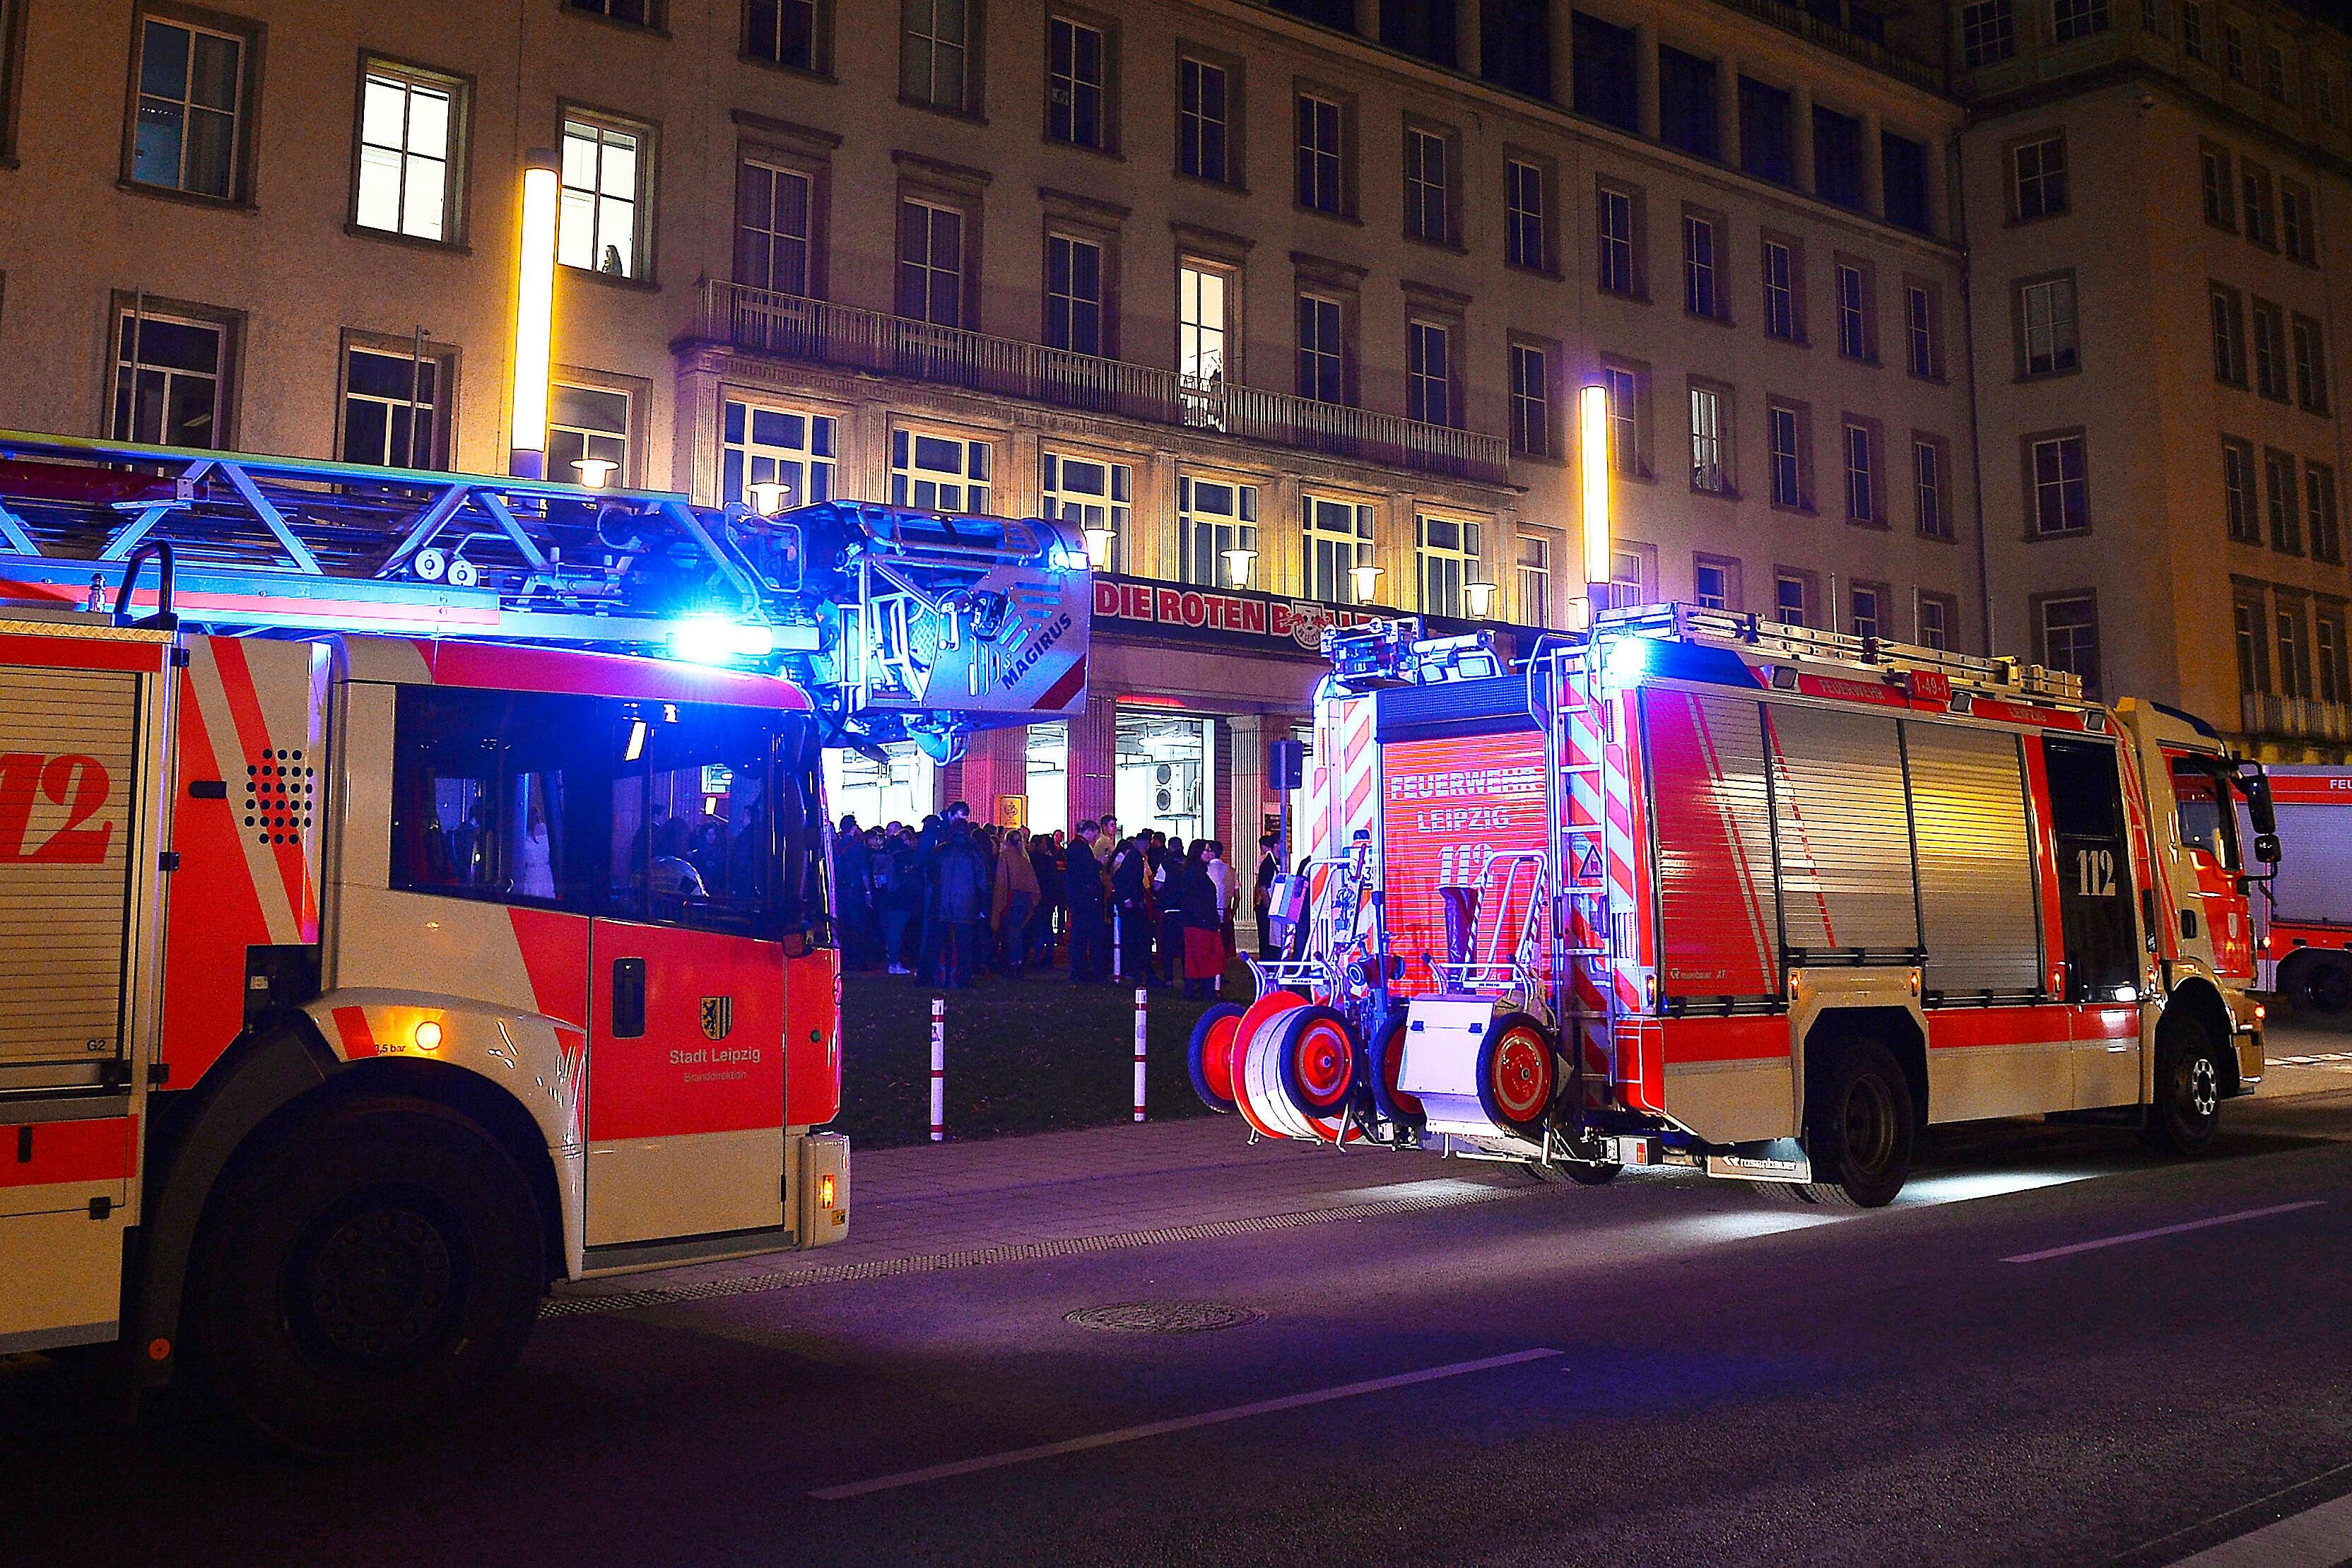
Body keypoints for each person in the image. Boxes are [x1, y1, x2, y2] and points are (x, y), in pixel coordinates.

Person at [934, 817, 989, 989]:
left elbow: (931, 877)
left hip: (942, 904)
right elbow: (982, 882)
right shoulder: (974, 852)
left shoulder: (940, 851)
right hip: (967, 904)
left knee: (941, 943)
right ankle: (963, 980)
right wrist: (983, 906)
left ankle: (941, 978)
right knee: (965, 946)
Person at [1175, 840, 1225, 998]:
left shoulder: (1199, 871)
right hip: (1199, 923)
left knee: (1202, 958)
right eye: (1206, 850)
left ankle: (1200, 990)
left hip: (1201, 921)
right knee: (1202, 958)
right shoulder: (1194, 872)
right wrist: (1205, 918)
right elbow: (1194, 898)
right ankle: (1203, 991)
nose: (1210, 853)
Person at [1064, 820, 1109, 983]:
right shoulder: (1080, 848)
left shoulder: (1076, 847)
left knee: (1080, 935)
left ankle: (1080, 969)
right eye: (1095, 835)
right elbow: (1086, 871)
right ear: (1089, 832)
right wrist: (1099, 864)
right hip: (1086, 899)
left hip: (1080, 899)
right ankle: (1086, 969)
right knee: (1088, 935)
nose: (1095, 839)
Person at [992, 827, 1040, 977]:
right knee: (1017, 932)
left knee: (1012, 933)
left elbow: (1002, 881)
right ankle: (1017, 962)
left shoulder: (1005, 856)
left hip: (1011, 897)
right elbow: (1032, 882)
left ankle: (1013, 964)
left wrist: (999, 901)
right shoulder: (1023, 858)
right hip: (1023, 897)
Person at [875, 825, 918, 975]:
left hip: (886, 897)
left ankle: (892, 960)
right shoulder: (904, 855)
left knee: (891, 931)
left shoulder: (884, 852)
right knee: (897, 932)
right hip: (902, 898)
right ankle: (894, 963)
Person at [1110, 833, 1150, 982]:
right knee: (1132, 936)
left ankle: (1131, 969)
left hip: (1131, 901)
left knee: (1132, 936)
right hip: (1130, 903)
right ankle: (1132, 969)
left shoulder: (1133, 857)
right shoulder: (1134, 858)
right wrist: (1127, 898)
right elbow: (1121, 879)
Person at [834, 813, 871, 970]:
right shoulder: (858, 847)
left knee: (842, 926)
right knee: (857, 926)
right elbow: (864, 872)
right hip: (854, 890)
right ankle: (858, 961)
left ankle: (844, 959)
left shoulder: (834, 846)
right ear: (854, 828)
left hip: (838, 890)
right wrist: (869, 892)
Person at [1029, 829, 1063, 966]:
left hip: (1040, 897)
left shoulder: (1034, 859)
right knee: (1047, 926)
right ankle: (1048, 955)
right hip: (1048, 897)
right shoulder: (1049, 861)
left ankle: (1038, 956)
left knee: (1040, 927)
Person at [1254, 832, 1281, 959]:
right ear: (1276, 846)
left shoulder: (1277, 862)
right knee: (1267, 940)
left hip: (1275, 909)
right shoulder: (1268, 864)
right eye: (1283, 843)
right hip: (1269, 910)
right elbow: (1263, 887)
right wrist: (1269, 908)